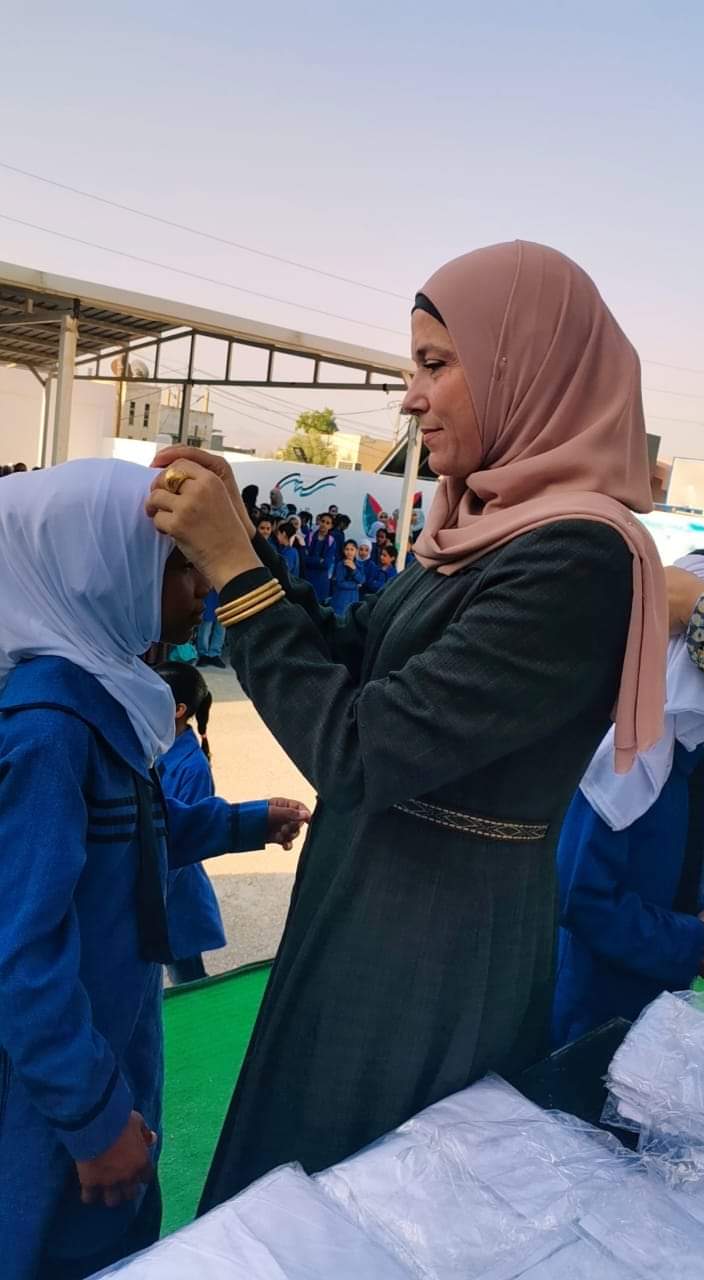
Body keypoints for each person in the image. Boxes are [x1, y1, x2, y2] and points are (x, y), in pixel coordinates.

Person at [147, 239, 667, 1206]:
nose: (410, 398)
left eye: (435, 364)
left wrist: (234, 572)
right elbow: (355, 659)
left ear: (525, 369)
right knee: (299, 1168)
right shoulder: (482, 532)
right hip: (372, 895)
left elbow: (360, 746)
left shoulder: (576, 557)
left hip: (436, 936)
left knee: (365, 1193)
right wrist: (251, 543)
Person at [0, 459, 310, 1280]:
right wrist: (93, 1121)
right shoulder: (48, 730)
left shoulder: (106, 693)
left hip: (114, 1047)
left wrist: (247, 820)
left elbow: (141, 834)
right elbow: (21, 953)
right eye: (179, 567)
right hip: (56, 1097)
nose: (201, 587)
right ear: (96, 572)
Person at [553, 550, 704, 1048]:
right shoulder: (626, 758)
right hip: (589, 1009)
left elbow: (698, 863)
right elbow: (579, 899)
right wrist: (696, 939)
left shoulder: (699, 750)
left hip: (656, 1001)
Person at [156, 663, 225, 985]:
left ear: (178, 710)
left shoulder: (193, 769)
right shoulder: (153, 746)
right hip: (154, 885)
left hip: (172, 892)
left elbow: (189, 838)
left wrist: (149, 892)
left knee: (189, 981)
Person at [304, 512, 336, 602]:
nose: (324, 524)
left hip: (321, 580)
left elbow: (326, 564)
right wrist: (319, 560)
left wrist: (311, 560)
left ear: (331, 526)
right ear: (319, 522)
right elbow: (304, 559)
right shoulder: (310, 536)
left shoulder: (331, 541)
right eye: (323, 521)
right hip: (307, 576)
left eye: (327, 523)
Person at [330, 539, 363, 615]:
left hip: (354, 598)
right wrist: (355, 585)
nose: (349, 552)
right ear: (343, 551)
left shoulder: (359, 565)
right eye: (347, 549)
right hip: (341, 597)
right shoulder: (340, 565)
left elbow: (362, 580)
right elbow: (340, 583)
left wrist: (354, 569)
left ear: (356, 551)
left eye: (352, 549)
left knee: (350, 618)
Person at [196, 588, 225, 668]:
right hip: (210, 591)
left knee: (221, 625)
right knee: (206, 623)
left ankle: (215, 654)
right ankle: (203, 654)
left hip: (223, 590)